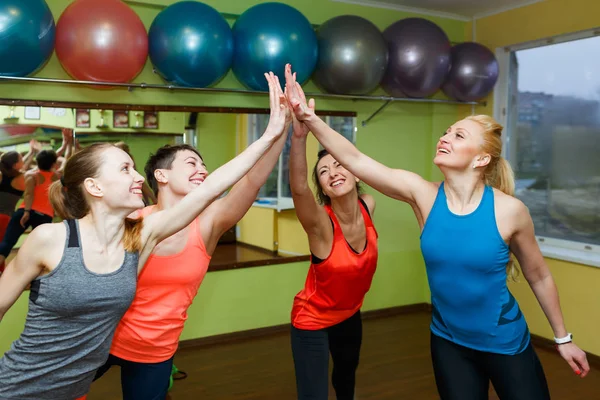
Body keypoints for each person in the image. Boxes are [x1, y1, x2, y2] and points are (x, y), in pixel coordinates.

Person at [284, 64, 589, 400]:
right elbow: (355, 159)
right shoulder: (423, 195)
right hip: (448, 342)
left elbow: (540, 276)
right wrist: (309, 120)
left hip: (504, 339)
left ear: (481, 159)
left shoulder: (509, 211)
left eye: (458, 135)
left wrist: (562, 338)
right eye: (446, 131)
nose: (444, 137)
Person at [0, 72, 289, 400]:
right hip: (37, 377)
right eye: (126, 169)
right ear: (94, 187)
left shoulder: (149, 231)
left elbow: (218, 186)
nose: (139, 176)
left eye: (135, 168)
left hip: (127, 361)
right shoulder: (65, 235)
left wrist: (272, 133)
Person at [90, 76, 292, 399]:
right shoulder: (132, 219)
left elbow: (252, 181)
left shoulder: (208, 223)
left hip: (155, 348)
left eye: (204, 165)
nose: (202, 169)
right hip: (103, 337)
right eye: (191, 162)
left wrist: (281, 129)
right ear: (162, 175)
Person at [287, 86, 378, 400]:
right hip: (312, 319)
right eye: (324, 172)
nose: (332, 172)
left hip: (350, 313)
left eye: (339, 165)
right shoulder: (321, 226)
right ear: (323, 187)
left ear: (354, 171)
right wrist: (299, 137)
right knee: (314, 395)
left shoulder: (368, 204)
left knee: (346, 382)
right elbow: (299, 188)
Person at [114, 141, 157, 206]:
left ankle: (151, 201)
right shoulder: (116, 159)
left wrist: (148, 200)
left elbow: (141, 184)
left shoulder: (129, 157)